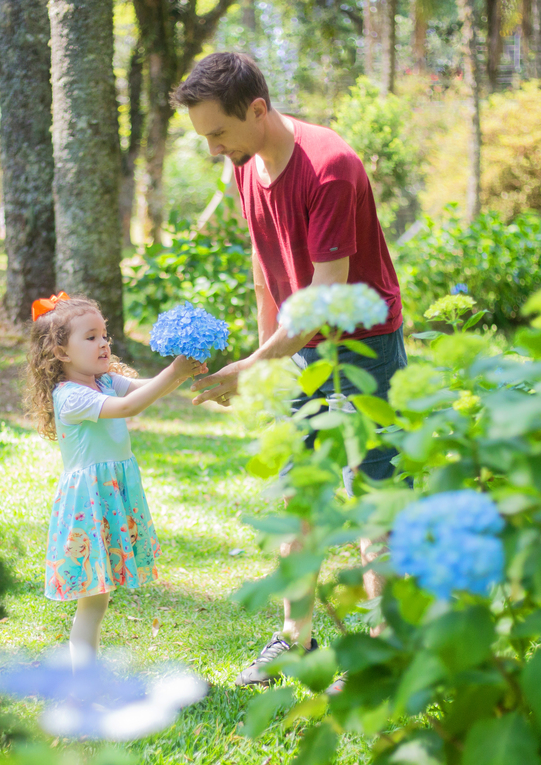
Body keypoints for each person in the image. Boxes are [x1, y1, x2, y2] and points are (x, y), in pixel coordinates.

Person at [170, 53, 407, 687]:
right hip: (299, 351)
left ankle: (381, 656)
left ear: (258, 109)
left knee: (373, 500)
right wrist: (264, 355)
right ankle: (295, 640)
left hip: (364, 350)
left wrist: (251, 365)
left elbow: (325, 304)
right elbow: (264, 266)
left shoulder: (330, 169)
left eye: (219, 133)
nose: (215, 149)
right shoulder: (247, 165)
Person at [24, 293, 207, 669]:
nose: (104, 342)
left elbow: (142, 388)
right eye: (90, 337)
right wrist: (176, 371)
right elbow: (128, 408)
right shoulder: (71, 396)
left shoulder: (104, 381)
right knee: (93, 596)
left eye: (104, 335)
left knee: (100, 596)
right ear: (61, 352)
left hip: (109, 496)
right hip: (88, 503)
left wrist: (182, 372)